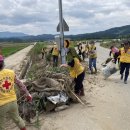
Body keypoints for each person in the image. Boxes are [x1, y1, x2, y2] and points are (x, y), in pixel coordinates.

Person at [0, 55, 32, 130]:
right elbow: (21, 85)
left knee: (1, 125)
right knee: (17, 119)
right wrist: (28, 95)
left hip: (1, 105)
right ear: (3, 63)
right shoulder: (11, 72)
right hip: (13, 102)